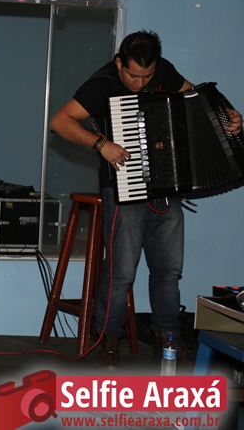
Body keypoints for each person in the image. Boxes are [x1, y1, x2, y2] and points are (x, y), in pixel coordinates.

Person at [50, 30, 242, 369]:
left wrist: (228, 113)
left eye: (147, 77)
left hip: (166, 188)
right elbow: (60, 121)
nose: (140, 84)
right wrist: (100, 144)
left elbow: (198, 98)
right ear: (119, 63)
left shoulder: (164, 71)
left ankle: (168, 334)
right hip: (122, 188)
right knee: (121, 271)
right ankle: (108, 337)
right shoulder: (102, 83)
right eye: (133, 76)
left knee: (169, 269)